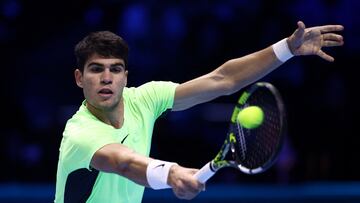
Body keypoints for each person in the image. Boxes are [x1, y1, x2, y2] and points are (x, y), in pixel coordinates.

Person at [54, 21, 343, 203]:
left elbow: (222, 79)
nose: (107, 78)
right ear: (79, 78)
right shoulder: (80, 133)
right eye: (96, 70)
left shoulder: (144, 99)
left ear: (125, 77)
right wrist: (173, 173)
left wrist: (286, 49)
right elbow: (124, 163)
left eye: (115, 69)